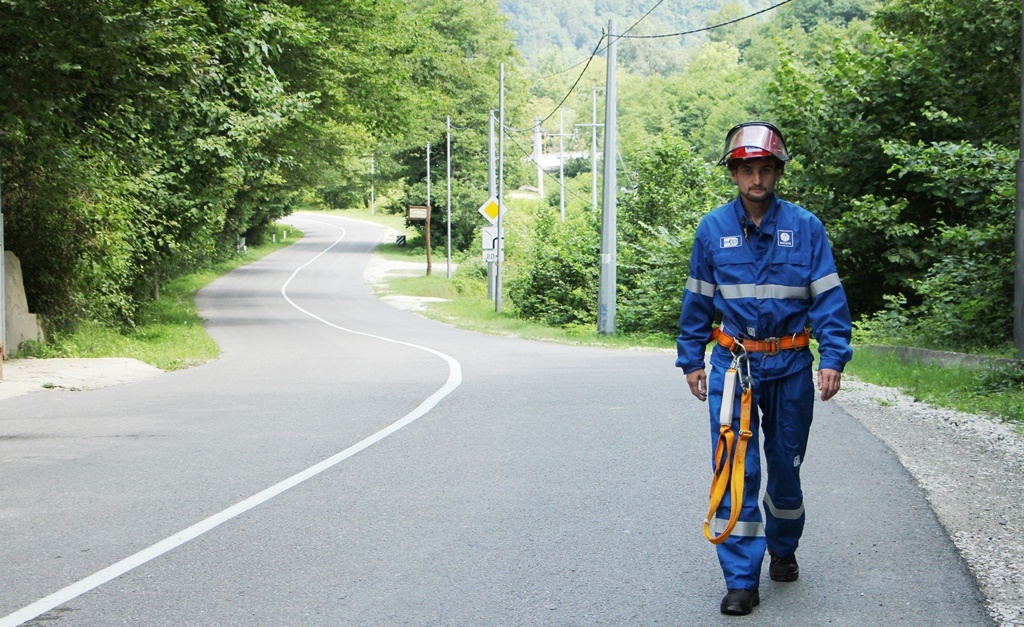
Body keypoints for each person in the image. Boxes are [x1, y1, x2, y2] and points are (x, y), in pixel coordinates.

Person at [676, 122, 853, 616]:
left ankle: (784, 545)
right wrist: (691, 357)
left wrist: (833, 357)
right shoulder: (712, 230)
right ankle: (740, 579)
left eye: (766, 168)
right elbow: (698, 301)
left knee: (785, 471)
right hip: (734, 370)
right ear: (734, 173)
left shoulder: (807, 228)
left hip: (792, 367)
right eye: (747, 169)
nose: (757, 178)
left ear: (777, 172)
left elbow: (830, 301)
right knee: (735, 469)